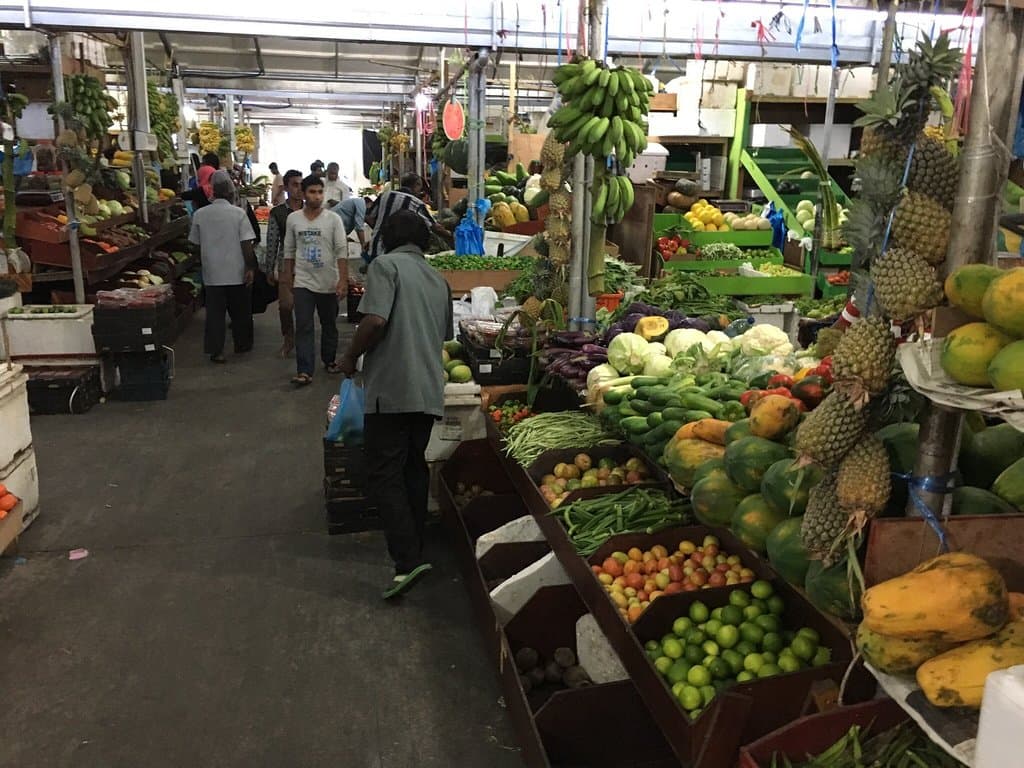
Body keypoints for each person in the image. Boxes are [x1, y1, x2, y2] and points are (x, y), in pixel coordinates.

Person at [338, 210, 453, 599]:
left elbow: (374, 321)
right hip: (428, 389)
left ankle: (406, 561)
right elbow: (442, 336)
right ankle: (416, 548)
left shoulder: (386, 266)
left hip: (392, 389)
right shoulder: (438, 279)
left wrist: (350, 356)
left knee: (384, 472)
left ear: (386, 238)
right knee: (412, 468)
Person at [282, 175, 349, 386]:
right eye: (312, 192)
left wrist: (343, 281)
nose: (317, 196)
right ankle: (304, 370)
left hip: (329, 281)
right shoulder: (293, 219)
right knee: (303, 325)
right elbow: (289, 251)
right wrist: (287, 279)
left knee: (329, 324)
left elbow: (341, 251)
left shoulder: (333, 219)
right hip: (303, 281)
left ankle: (329, 360)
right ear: (303, 193)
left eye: (320, 192)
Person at [189, 170, 257, 363]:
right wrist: (250, 267)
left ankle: (216, 351)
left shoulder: (200, 215)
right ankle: (242, 345)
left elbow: (194, 243)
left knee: (215, 315)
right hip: (236, 271)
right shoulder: (238, 214)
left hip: (212, 272)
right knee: (240, 311)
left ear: (213, 191)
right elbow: (246, 244)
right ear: (230, 191)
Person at [365, 173, 451, 262]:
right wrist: (451, 236)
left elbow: (368, 216)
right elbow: (435, 227)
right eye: (420, 187)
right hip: (397, 255)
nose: (420, 191)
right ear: (417, 185)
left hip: (375, 249)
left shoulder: (384, 195)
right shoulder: (416, 203)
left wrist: (379, 229)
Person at [263, 169, 303, 355]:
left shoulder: (311, 210)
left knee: (305, 308)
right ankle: (288, 338)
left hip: (309, 266)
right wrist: (269, 268)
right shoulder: (278, 213)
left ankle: (305, 342)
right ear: (286, 188)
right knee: (286, 306)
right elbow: (272, 241)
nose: (299, 189)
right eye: (294, 185)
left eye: (301, 184)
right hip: (286, 266)